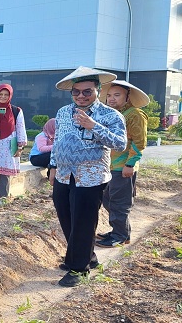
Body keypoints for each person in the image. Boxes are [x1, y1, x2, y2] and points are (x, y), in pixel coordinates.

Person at [48, 66, 126, 287]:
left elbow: (120, 143)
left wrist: (94, 126)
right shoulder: (63, 112)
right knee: (67, 218)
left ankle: (78, 269)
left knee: (83, 222)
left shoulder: (110, 115)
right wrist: (52, 166)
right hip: (64, 174)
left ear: (98, 91)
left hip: (91, 176)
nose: (81, 96)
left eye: (87, 91)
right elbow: (57, 141)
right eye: (76, 92)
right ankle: (87, 256)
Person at [96, 80, 149, 248]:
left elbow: (139, 142)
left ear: (128, 97)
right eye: (109, 95)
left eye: (117, 95)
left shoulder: (135, 115)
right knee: (108, 200)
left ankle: (119, 235)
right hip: (108, 166)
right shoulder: (112, 114)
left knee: (119, 202)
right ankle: (121, 232)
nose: (111, 99)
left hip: (123, 166)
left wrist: (130, 164)